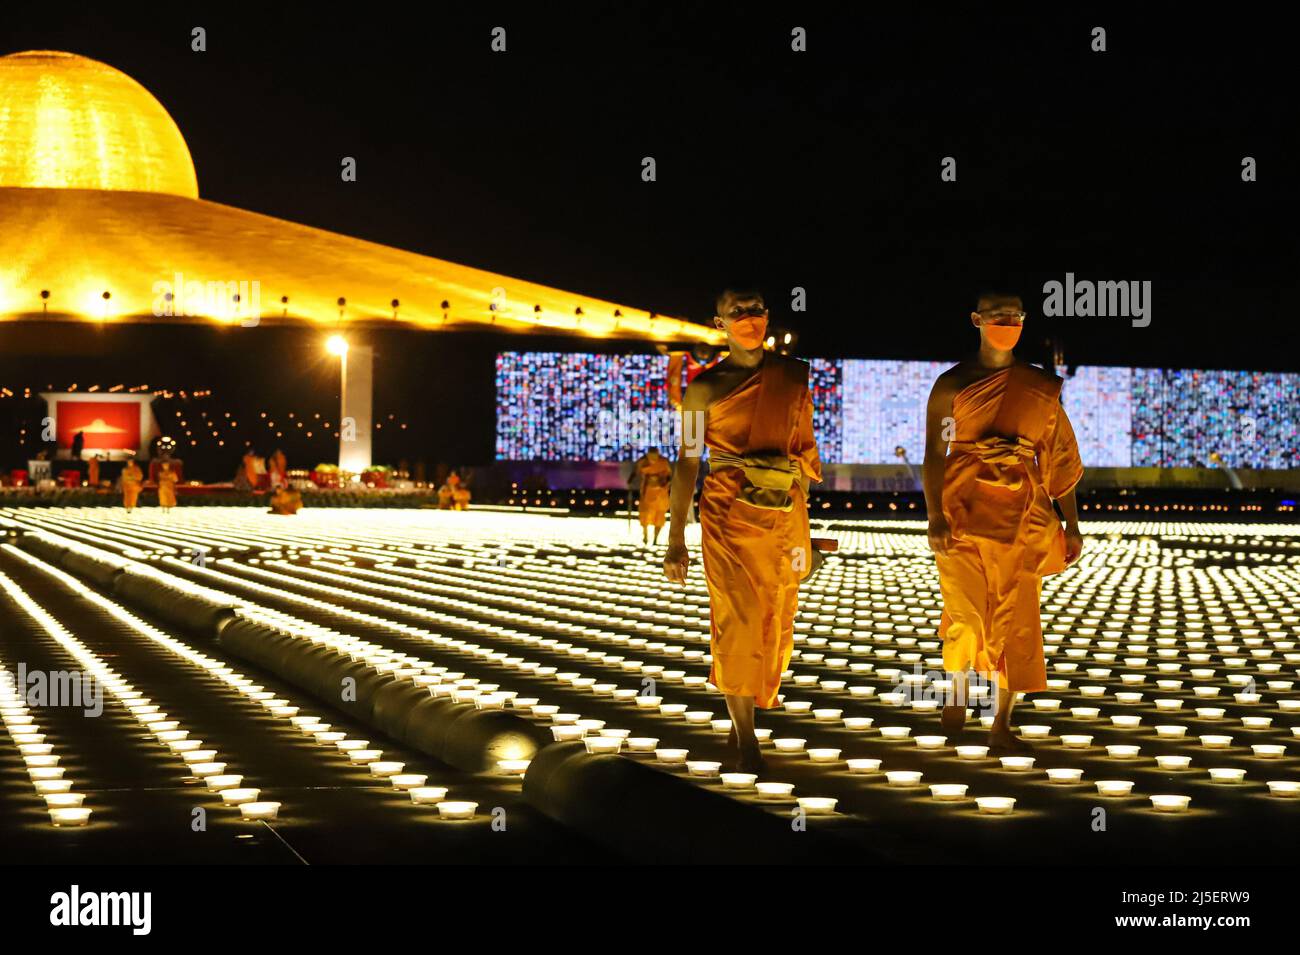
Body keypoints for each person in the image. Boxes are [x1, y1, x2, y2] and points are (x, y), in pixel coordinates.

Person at [664, 288, 821, 773]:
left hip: (781, 514)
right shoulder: (704, 389)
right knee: (736, 620)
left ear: (768, 316)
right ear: (720, 322)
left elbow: (805, 457)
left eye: (756, 310)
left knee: (775, 620)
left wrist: (805, 532)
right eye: (739, 312)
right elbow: (690, 461)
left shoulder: (791, 376)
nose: (749, 319)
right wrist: (675, 538)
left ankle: (740, 728)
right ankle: (748, 738)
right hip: (728, 515)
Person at [922, 291, 1085, 754]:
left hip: (1023, 514)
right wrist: (935, 515)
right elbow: (936, 453)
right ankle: (955, 689)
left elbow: (1059, 459)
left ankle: (1001, 723)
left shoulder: (1038, 387)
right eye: (998, 316)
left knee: (1018, 616)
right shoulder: (952, 385)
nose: (1007, 322)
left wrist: (1070, 523)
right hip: (963, 510)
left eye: (1015, 316)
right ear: (976, 319)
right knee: (965, 613)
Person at [632, 448, 672, 545]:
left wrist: (665, 483)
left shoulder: (663, 462)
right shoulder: (643, 461)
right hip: (648, 491)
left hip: (660, 493)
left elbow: (669, 475)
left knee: (659, 517)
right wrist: (630, 480)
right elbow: (636, 471)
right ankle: (645, 536)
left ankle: (655, 539)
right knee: (645, 514)